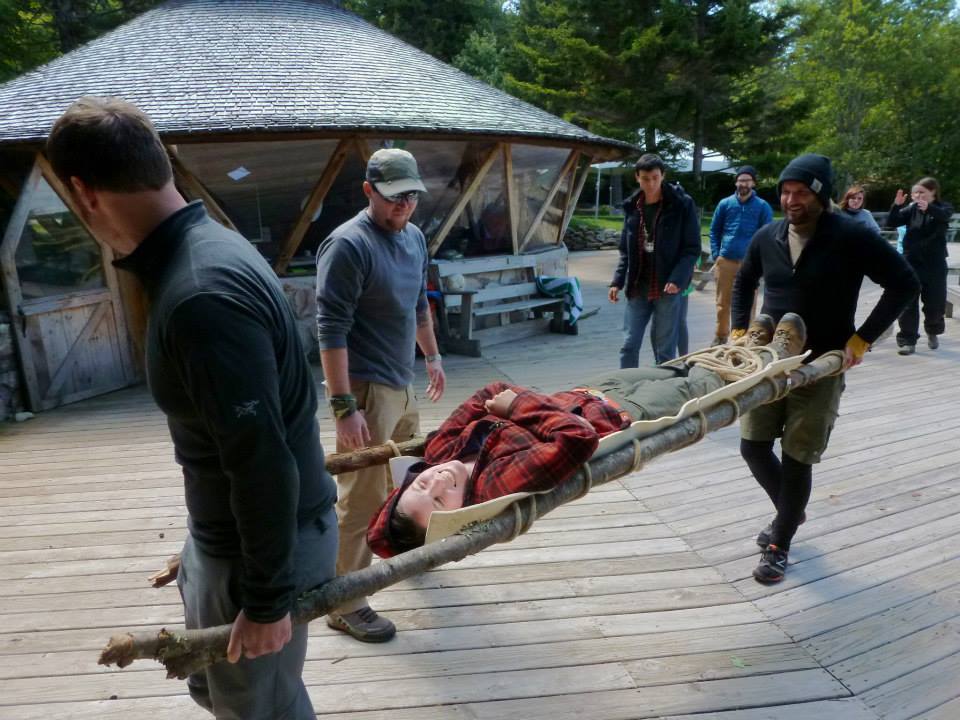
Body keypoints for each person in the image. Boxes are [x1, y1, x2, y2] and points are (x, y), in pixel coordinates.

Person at [46, 97, 338, 719]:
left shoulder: (200, 295)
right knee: (228, 693)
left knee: (261, 712)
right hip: (234, 540)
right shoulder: (206, 250)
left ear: (82, 191)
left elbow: (263, 461)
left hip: (263, 549)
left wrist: (264, 600)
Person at [366, 313, 803, 558]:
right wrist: (519, 407)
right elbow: (577, 439)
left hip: (588, 390)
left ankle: (748, 344)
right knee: (703, 386)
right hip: (625, 415)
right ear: (459, 513)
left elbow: (488, 391)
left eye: (423, 484)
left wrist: (525, 409)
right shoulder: (494, 486)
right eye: (441, 500)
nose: (438, 481)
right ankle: (772, 354)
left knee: (678, 365)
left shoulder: (440, 449)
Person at [731, 153, 919, 585]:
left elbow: (904, 282)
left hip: (823, 364)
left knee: (798, 456)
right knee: (753, 446)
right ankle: (790, 513)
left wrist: (862, 338)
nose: (791, 200)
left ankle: (779, 543)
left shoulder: (850, 236)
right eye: (785, 192)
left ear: (820, 195)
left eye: (800, 193)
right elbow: (744, 280)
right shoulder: (767, 236)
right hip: (769, 365)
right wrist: (740, 331)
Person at [315, 148, 446, 643]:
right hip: (366, 390)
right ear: (368, 190)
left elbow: (418, 305)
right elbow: (330, 330)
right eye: (394, 198)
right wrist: (344, 408)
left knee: (410, 476)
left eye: (412, 196)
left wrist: (431, 358)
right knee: (360, 496)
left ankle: (398, 550)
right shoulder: (348, 246)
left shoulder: (413, 237)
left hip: (403, 381)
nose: (405, 206)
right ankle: (345, 601)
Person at [609, 154, 701, 366]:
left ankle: (663, 389)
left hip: (668, 287)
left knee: (664, 349)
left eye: (655, 177)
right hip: (638, 286)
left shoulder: (681, 204)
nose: (650, 183)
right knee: (629, 344)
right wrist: (617, 281)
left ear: (663, 176)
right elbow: (625, 250)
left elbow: (691, 248)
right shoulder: (632, 207)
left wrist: (677, 279)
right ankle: (625, 388)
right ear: (637, 178)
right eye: (645, 178)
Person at [886, 177, 953, 355]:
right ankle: (908, 340)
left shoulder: (943, 207)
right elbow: (891, 222)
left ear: (933, 192)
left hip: (935, 263)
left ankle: (932, 331)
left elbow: (945, 216)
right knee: (907, 302)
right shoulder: (910, 209)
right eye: (915, 192)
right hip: (911, 261)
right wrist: (896, 205)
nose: (917, 196)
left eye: (922, 192)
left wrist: (929, 208)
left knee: (935, 304)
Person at [708, 165, 774, 346]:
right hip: (726, 260)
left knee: (748, 304)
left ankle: (744, 339)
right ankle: (721, 336)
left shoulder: (762, 207)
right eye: (741, 180)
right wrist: (716, 255)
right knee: (723, 303)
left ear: (753, 183)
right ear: (736, 182)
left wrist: (761, 261)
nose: (743, 183)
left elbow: (767, 235)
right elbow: (714, 231)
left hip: (749, 264)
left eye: (747, 180)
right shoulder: (725, 204)